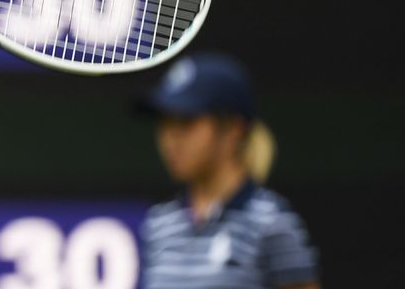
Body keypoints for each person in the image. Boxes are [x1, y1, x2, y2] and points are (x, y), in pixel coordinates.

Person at [136, 52, 320, 289]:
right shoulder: (159, 225)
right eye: (165, 122)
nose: (171, 139)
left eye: (186, 122)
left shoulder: (272, 224)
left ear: (233, 129)